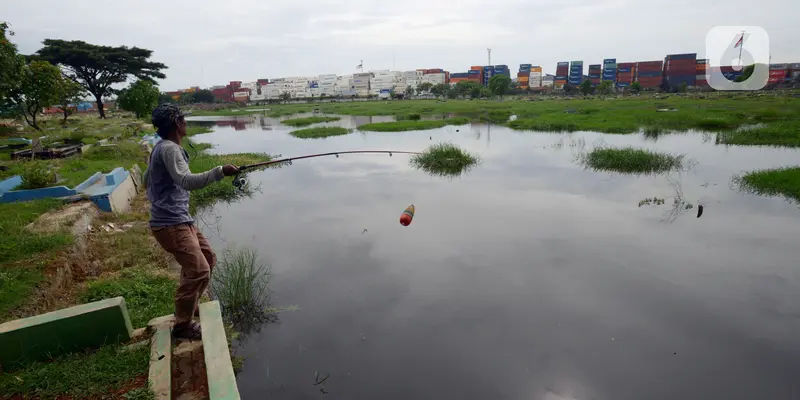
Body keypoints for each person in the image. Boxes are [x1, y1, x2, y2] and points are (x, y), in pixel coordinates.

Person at [144, 104, 238, 339]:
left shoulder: (161, 148)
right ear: (176, 123)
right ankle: (182, 324)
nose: (186, 122)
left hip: (180, 220)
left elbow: (147, 179)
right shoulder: (170, 150)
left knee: (207, 258)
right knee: (198, 271)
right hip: (171, 224)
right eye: (184, 119)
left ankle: (192, 303)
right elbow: (186, 181)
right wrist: (220, 171)